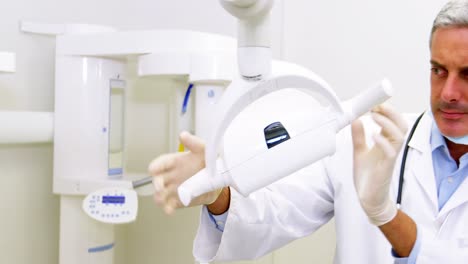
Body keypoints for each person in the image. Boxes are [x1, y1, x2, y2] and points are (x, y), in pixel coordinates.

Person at [148, 0, 468, 263]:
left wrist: (386, 215)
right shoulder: (366, 143)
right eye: (438, 70)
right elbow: (274, 214)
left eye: (466, 74)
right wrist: (219, 194)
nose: (448, 92)